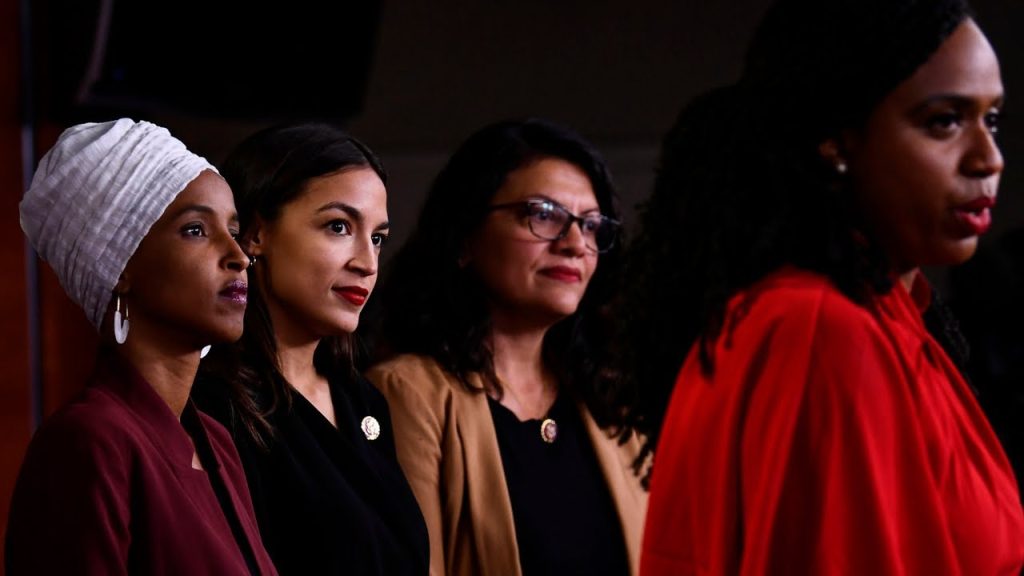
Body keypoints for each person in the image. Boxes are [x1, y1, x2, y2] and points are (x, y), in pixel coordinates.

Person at [622, 0, 1024, 573]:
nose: (989, 159)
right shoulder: (821, 332)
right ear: (835, 137)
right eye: (944, 121)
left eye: (993, 120)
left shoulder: (889, 319)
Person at [366, 118, 647, 576]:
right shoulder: (408, 393)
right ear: (465, 237)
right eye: (542, 214)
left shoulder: (613, 406)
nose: (576, 243)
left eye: (593, 226)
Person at [5, 118, 277, 574]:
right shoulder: (89, 443)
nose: (238, 255)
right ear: (119, 263)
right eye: (195, 230)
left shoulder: (216, 441)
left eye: (233, 229)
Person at [191, 122, 429, 575]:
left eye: (378, 237)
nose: (367, 262)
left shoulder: (362, 399)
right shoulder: (214, 405)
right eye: (339, 226)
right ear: (256, 233)